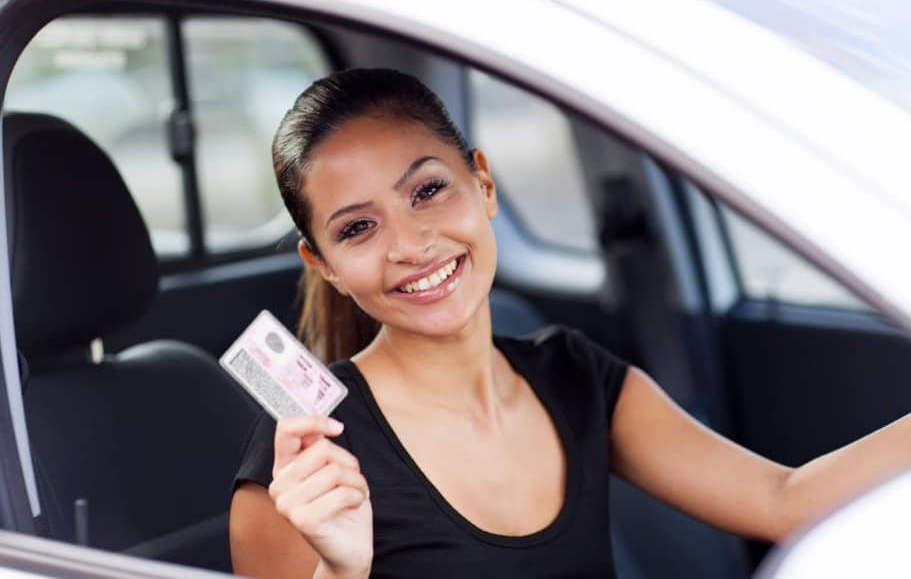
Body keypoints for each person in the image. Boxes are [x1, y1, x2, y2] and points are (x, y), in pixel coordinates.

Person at [229, 68, 911, 579]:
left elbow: (783, 499)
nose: (410, 244)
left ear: (484, 186)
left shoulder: (576, 377)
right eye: (358, 228)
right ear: (323, 265)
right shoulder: (307, 464)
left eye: (427, 190)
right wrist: (341, 570)